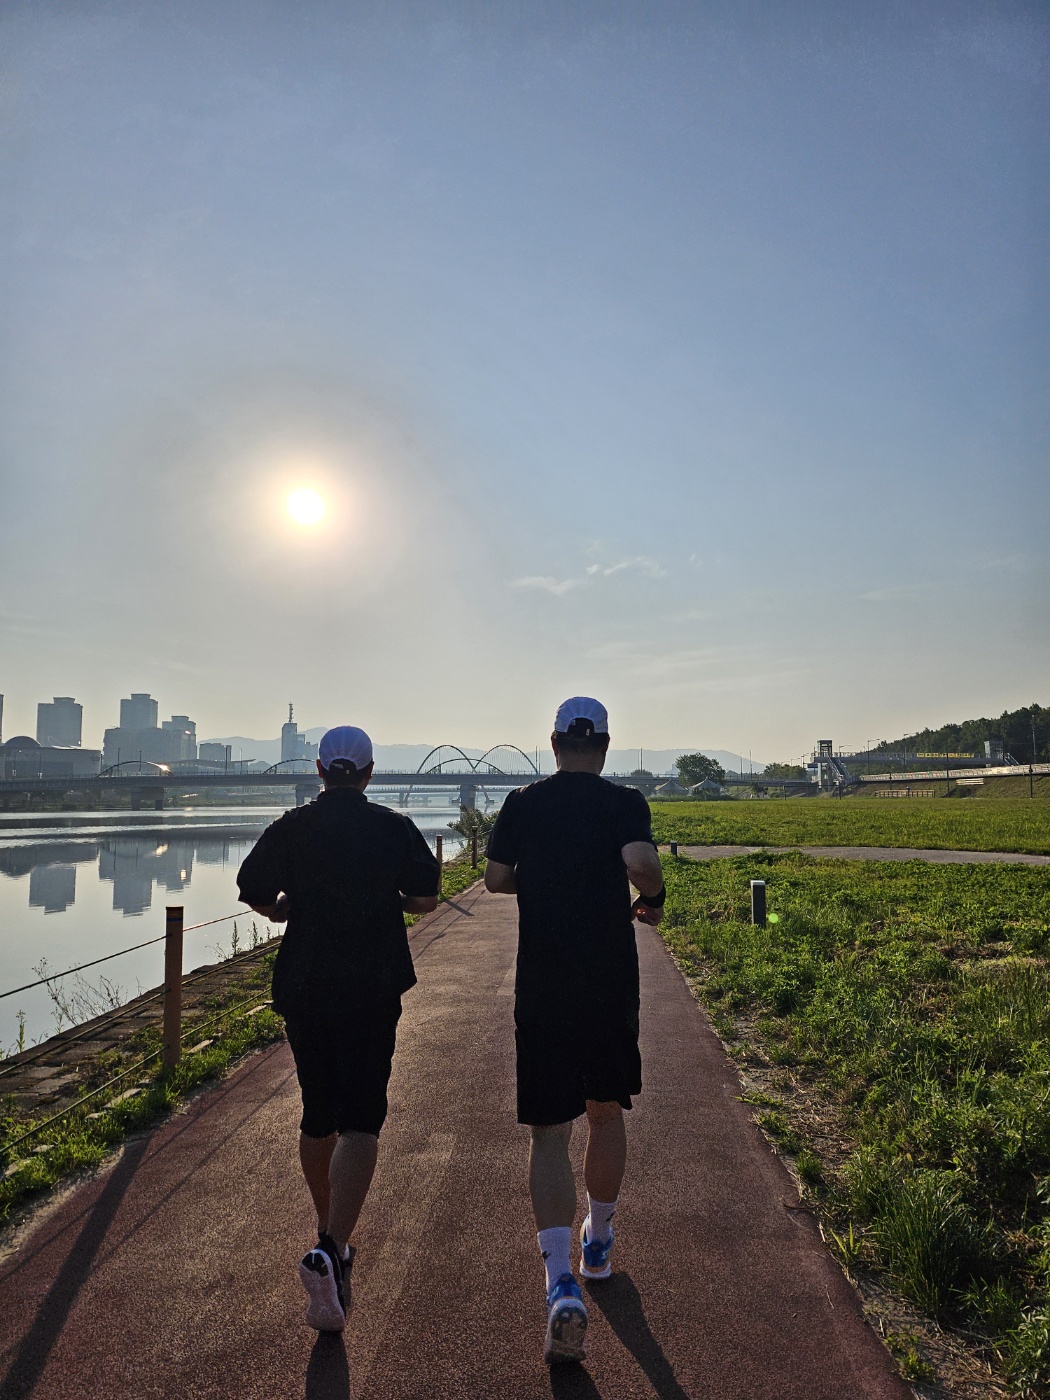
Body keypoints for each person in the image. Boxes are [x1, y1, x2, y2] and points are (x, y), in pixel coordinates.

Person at [237, 725, 439, 1333]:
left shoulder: (292, 826)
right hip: (372, 984)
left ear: (321, 770)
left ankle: (329, 1233)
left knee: (318, 1114)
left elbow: (253, 887)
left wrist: (281, 908)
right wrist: (385, 899)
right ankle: (331, 1248)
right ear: (370, 772)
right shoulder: (393, 827)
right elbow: (426, 898)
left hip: (305, 983)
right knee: (362, 1121)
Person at [484, 697, 665, 1365]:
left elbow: (495, 879)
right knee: (606, 1110)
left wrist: (541, 878)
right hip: (608, 982)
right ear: (605, 746)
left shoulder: (522, 803)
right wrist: (651, 898)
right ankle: (600, 1240)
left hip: (543, 984)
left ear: (555, 743)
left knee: (548, 1131)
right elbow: (640, 863)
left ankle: (559, 1279)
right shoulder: (623, 802)